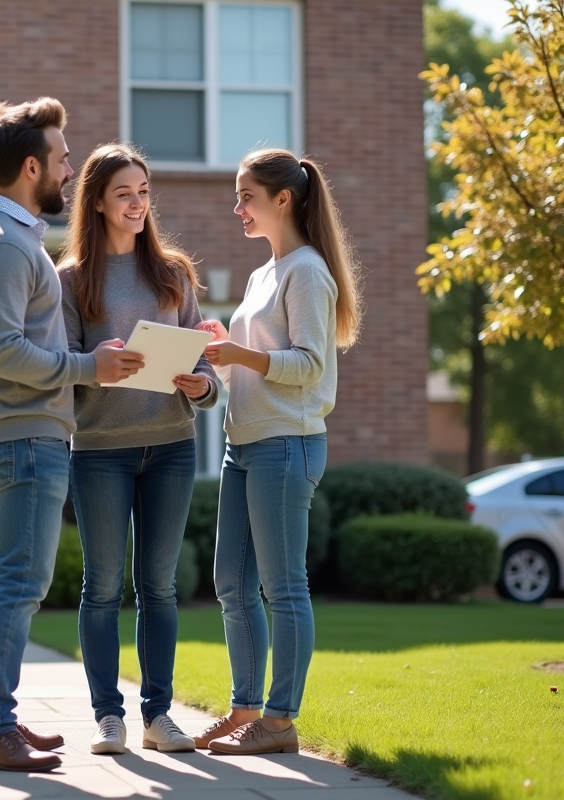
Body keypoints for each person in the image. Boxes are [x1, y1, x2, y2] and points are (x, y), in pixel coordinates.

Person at [0, 99, 145, 773]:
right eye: (61, 158)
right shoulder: (5, 243)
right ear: (31, 167)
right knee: (17, 585)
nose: (69, 169)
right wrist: (90, 367)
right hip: (21, 439)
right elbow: (2, 351)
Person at [193, 148, 363, 755]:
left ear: (283, 199)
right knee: (231, 583)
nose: (237, 207)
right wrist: (223, 350)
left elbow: (311, 366)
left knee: (283, 588)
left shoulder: (307, 271)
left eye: (247, 197)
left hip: (287, 445)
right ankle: (246, 707)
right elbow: (256, 368)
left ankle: (280, 721)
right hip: (244, 445)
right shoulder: (263, 274)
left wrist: (242, 354)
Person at [56, 143, 219, 756]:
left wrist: (203, 385)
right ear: (97, 202)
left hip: (171, 446)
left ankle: (158, 716)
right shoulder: (72, 279)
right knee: (102, 586)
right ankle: (108, 717)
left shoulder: (173, 272)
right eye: (123, 193)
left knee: (159, 586)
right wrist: (100, 367)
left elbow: (204, 362)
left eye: (143, 191)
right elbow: (64, 366)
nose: (137, 203)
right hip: (99, 449)